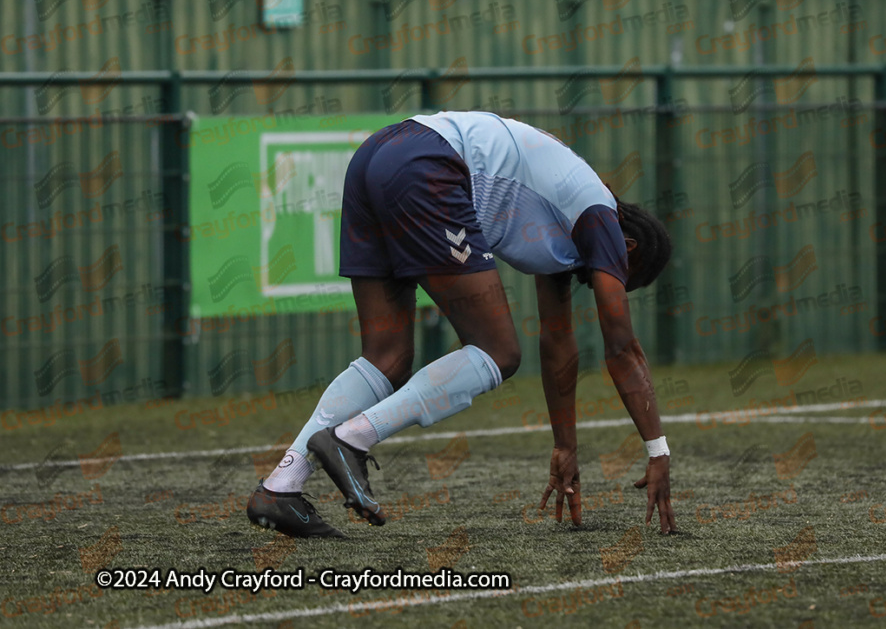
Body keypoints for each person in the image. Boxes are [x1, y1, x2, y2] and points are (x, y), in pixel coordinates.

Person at [246, 110, 677, 538]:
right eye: (623, 275)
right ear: (628, 247)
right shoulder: (599, 215)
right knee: (499, 350)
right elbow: (621, 346)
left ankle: (280, 488)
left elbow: (558, 342)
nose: (612, 283)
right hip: (428, 164)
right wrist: (657, 451)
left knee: (388, 356)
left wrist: (565, 446)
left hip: (378, 155)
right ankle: (351, 439)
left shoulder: (570, 228)